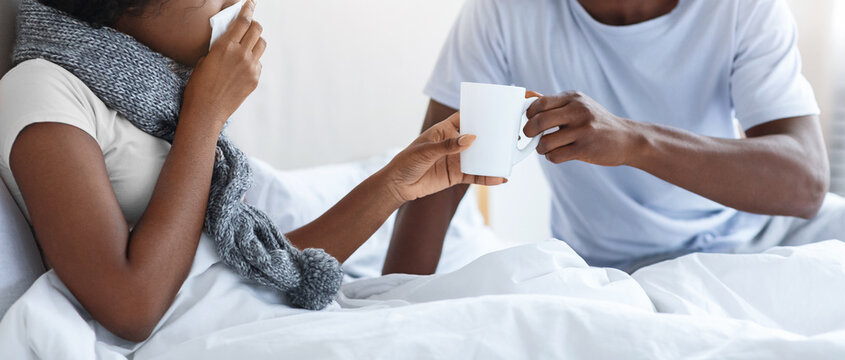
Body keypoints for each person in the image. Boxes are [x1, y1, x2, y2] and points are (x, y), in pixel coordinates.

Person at [0, 0, 505, 342]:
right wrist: (204, 115)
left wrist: (396, 182)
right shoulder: (43, 89)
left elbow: (260, 269)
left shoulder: (154, 97)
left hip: (248, 320)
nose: (238, 5)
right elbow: (131, 306)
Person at [385, 0, 845, 274]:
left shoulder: (743, 7)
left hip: (767, 236)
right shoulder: (504, 11)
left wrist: (633, 141)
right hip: (617, 269)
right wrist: (390, 306)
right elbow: (435, 173)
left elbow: (805, 183)